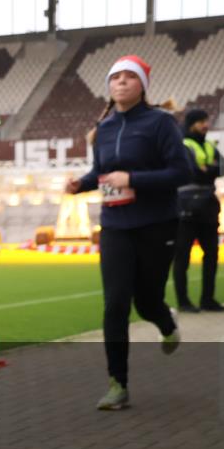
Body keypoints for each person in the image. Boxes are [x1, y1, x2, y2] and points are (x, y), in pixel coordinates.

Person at [65, 55, 191, 411]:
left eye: (128, 77)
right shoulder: (102, 128)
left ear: (142, 86)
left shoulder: (161, 123)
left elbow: (181, 173)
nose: (120, 82)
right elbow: (103, 174)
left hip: (157, 224)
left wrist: (134, 179)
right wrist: (81, 184)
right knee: (115, 304)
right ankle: (117, 384)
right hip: (115, 226)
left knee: (147, 301)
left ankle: (165, 323)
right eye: (115, 77)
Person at [172, 108, 224, 313]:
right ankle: (184, 302)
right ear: (191, 124)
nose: (206, 125)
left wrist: (209, 170)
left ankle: (208, 299)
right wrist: (210, 170)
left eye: (206, 121)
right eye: (201, 121)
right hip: (185, 209)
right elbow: (192, 171)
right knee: (182, 257)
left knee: (212, 255)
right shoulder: (183, 145)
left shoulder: (207, 145)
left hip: (207, 208)